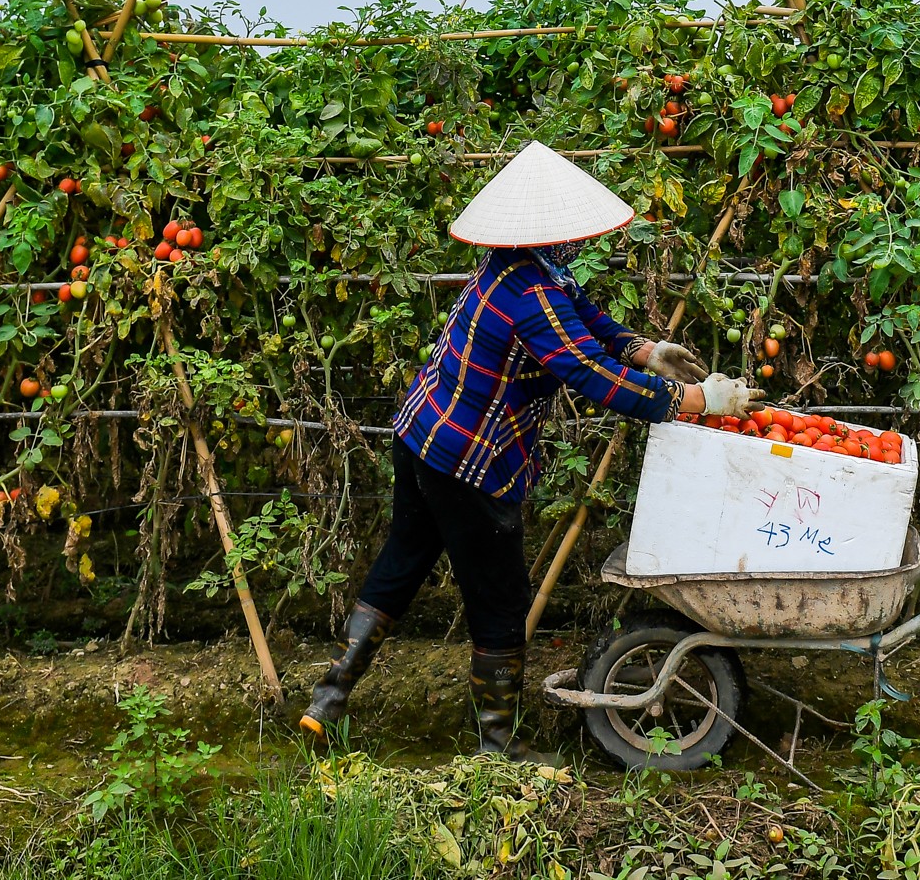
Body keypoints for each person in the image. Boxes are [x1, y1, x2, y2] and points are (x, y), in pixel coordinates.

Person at [300, 142, 762, 754]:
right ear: (557, 230)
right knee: (500, 598)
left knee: (401, 563)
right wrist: (696, 402)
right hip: (469, 460)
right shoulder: (530, 295)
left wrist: (645, 351)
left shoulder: (518, 269)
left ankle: (328, 697)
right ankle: (498, 746)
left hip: (422, 437)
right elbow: (587, 372)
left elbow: (583, 318)